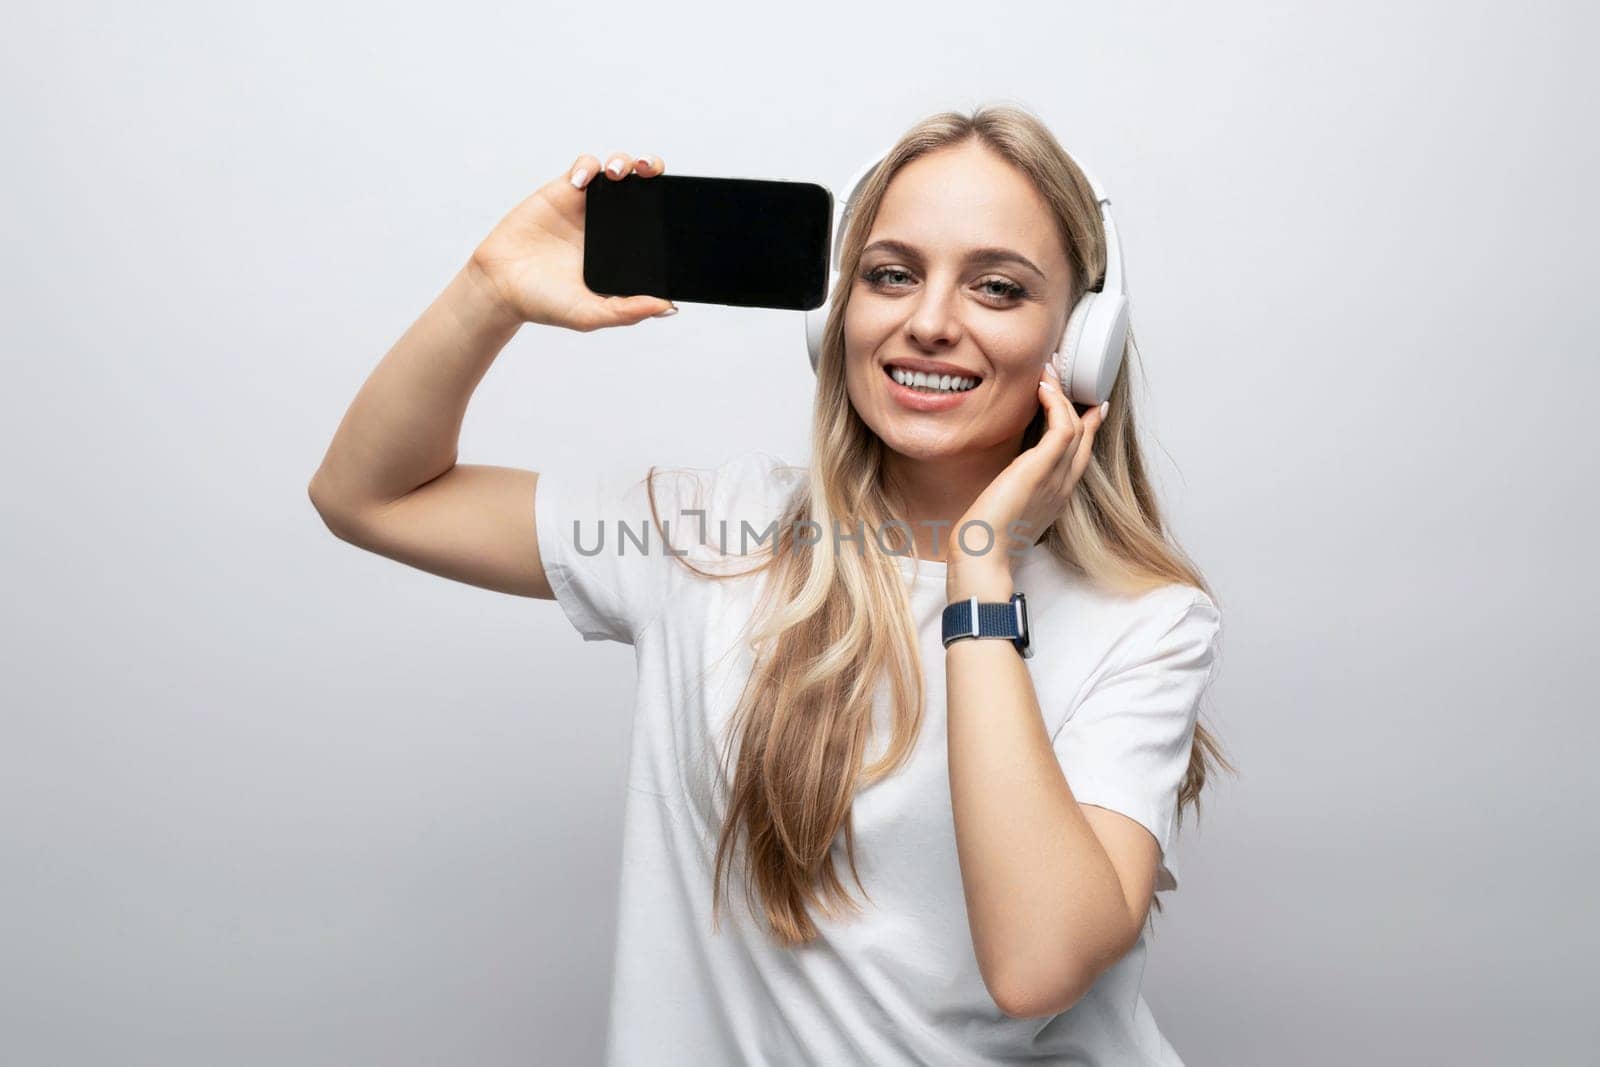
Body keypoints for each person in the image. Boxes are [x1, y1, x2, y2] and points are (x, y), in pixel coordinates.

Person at [309, 104, 1230, 1066]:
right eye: (890, 274)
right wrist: (488, 291)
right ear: (837, 312)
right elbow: (369, 496)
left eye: (997, 288)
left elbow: (1037, 963)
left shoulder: (1149, 622)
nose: (928, 321)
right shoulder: (712, 536)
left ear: (1081, 340)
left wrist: (979, 560)